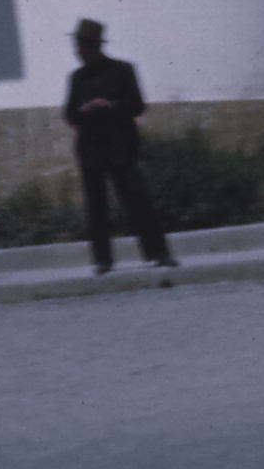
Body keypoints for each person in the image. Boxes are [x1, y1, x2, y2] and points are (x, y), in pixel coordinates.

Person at [63, 20, 178, 281]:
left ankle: (158, 253)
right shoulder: (77, 78)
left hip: (120, 147)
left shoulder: (122, 70)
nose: (79, 52)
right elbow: (69, 113)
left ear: (94, 47)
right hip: (91, 149)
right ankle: (102, 260)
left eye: (82, 47)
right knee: (96, 206)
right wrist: (84, 110)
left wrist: (110, 105)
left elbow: (137, 105)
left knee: (138, 200)